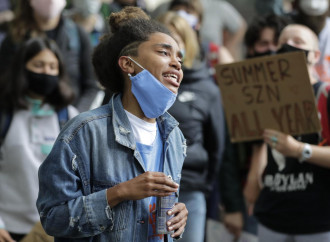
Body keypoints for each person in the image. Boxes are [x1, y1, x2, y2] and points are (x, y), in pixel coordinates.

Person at [36, 6, 188, 242]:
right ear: (127, 64)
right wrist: (119, 193)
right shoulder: (83, 132)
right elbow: (53, 218)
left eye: (179, 57)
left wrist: (178, 215)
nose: (177, 64)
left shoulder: (174, 136)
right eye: (164, 53)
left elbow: (159, 210)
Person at [245, 24, 330, 241]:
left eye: (298, 42)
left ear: (315, 55)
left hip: (317, 220)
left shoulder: (325, 94)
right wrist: (253, 183)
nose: (289, 47)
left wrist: (299, 150)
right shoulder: (266, 99)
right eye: (283, 43)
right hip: (272, 216)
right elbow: (261, 144)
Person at [0, 37, 78, 242]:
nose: (46, 72)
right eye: (39, 65)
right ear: (22, 68)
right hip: (7, 228)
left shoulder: (69, 116)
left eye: (53, 67)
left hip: (52, 230)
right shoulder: (5, 113)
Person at [219, 13, 288, 240]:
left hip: (291, 202)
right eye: (264, 44)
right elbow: (226, 155)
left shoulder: (303, 92)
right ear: (250, 49)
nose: (271, 50)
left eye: (278, 44)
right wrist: (233, 206)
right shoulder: (236, 94)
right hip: (245, 200)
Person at [158, 11, 226, 242]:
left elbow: (217, 146)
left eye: (177, 41)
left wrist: (200, 186)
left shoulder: (207, 89)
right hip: (147, 189)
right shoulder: (143, 85)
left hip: (190, 190)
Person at [0, 0, 99, 112]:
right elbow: (5, 84)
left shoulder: (77, 35)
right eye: (38, 65)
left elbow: (91, 86)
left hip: (67, 118)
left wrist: (75, 119)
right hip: (22, 115)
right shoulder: (15, 38)